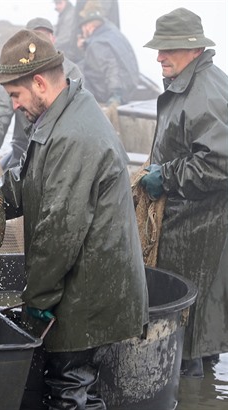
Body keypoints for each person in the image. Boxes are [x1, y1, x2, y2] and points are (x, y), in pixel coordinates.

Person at [0, 29, 149, 408]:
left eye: (15, 95)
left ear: (39, 83)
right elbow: (35, 181)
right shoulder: (63, 114)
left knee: (70, 391)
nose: (14, 105)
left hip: (88, 293)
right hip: (87, 286)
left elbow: (59, 229)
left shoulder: (74, 136)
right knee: (79, 390)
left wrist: (37, 297)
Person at [140, 7, 228, 378]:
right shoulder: (189, 83)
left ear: (194, 49)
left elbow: (220, 163)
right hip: (187, 230)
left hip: (199, 235)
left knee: (188, 346)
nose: (159, 57)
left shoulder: (206, 92)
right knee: (194, 341)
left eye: (168, 49)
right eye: (158, 49)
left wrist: (168, 177)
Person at [0, 17, 83, 170]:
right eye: (35, 37)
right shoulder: (14, 70)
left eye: (44, 37)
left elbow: (76, 115)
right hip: (23, 145)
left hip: (56, 148)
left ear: (53, 39)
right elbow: (3, 107)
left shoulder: (70, 71)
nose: (40, 42)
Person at [77, 9, 139, 106]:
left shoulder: (98, 44)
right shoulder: (112, 33)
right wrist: (86, 45)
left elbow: (112, 67)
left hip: (113, 93)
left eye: (82, 28)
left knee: (75, 71)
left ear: (89, 26)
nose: (82, 33)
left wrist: (116, 95)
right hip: (129, 88)